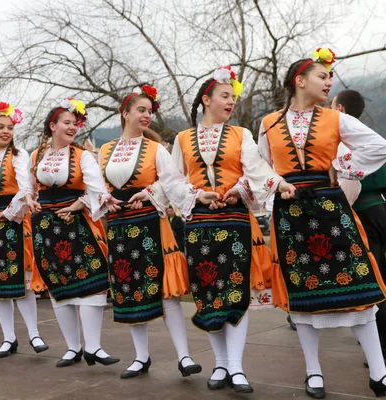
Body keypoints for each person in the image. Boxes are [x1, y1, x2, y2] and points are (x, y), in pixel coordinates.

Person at [259, 48, 386, 398]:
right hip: (290, 213)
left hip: (331, 207)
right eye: (322, 76)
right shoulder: (268, 123)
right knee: (303, 293)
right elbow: (260, 168)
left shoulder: (336, 119)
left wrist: (343, 166)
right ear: (300, 81)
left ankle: (380, 372)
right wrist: (277, 184)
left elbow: (378, 146)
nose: (329, 82)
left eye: (330, 77)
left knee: (359, 286)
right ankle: (313, 372)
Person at [172, 66, 295, 393]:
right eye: (225, 96)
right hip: (200, 225)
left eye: (233, 98)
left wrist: (242, 189)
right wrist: (199, 194)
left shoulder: (241, 134)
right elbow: (172, 180)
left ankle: (236, 367)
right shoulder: (182, 138)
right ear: (206, 99)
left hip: (235, 221)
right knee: (209, 294)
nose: (230, 102)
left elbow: (254, 169)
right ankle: (221, 364)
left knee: (236, 292)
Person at [99, 86, 219, 379]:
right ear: (125, 112)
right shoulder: (104, 150)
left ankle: (184, 356)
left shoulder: (156, 149)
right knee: (130, 292)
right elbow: (95, 185)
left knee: (166, 292)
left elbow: (172, 182)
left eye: (150, 111)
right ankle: (141, 357)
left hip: (151, 225)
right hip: (119, 226)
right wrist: (104, 198)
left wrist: (150, 191)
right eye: (141, 110)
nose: (146, 115)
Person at [29, 98, 121, 368]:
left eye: (75, 124)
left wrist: (79, 204)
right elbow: (28, 188)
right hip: (46, 226)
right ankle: (72, 348)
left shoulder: (83, 156)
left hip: (76, 224)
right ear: (52, 126)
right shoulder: (36, 156)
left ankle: (94, 347)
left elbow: (97, 189)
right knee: (59, 284)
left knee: (92, 280)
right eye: (66, 123)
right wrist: (30, 201)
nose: (72, 128)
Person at [0, 102, 46, 358]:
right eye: (0, 127)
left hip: (14, 220)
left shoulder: (19, 155)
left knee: (22, 281)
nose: (6, 131)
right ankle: (8, 338)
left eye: (10, 127)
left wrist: (9, 212)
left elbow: (26, 189)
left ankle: (34, 334)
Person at [332, 89, 386, 368]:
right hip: (382, 209)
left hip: (362, 213)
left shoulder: (346, 142)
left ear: (339, 109)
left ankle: (379, 350)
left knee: (373, 281)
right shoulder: (371, 138)